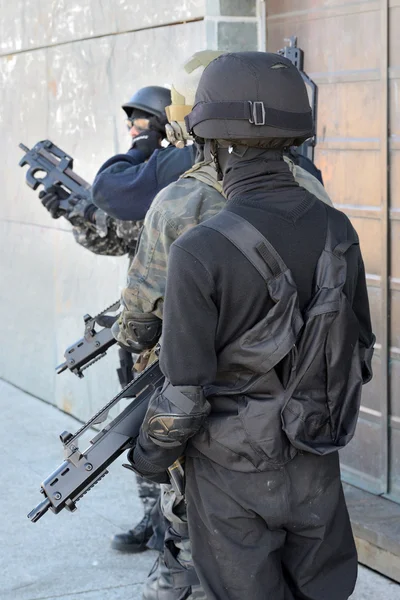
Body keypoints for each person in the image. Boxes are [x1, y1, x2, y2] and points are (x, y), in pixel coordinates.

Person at [121, 52, 375, 599]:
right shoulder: (337, 226)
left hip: (230, 480)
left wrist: (147, 458)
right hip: (315, 465)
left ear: (210, 141)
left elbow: (182, 399)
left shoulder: (198, 249)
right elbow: (359, 355)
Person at [38, 85, 174, 556]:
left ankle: (172, 532)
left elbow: (124, 224)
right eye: (131, 124)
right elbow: (114, 242)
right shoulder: (143, 179)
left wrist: (88, 209)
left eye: (140, 124)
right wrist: (75, 214)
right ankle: (152, 519)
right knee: (135, 429)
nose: (132, 131)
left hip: (173, 329)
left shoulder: (169, 181)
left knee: (165, 431)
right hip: (141, 329)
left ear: (162, 127)